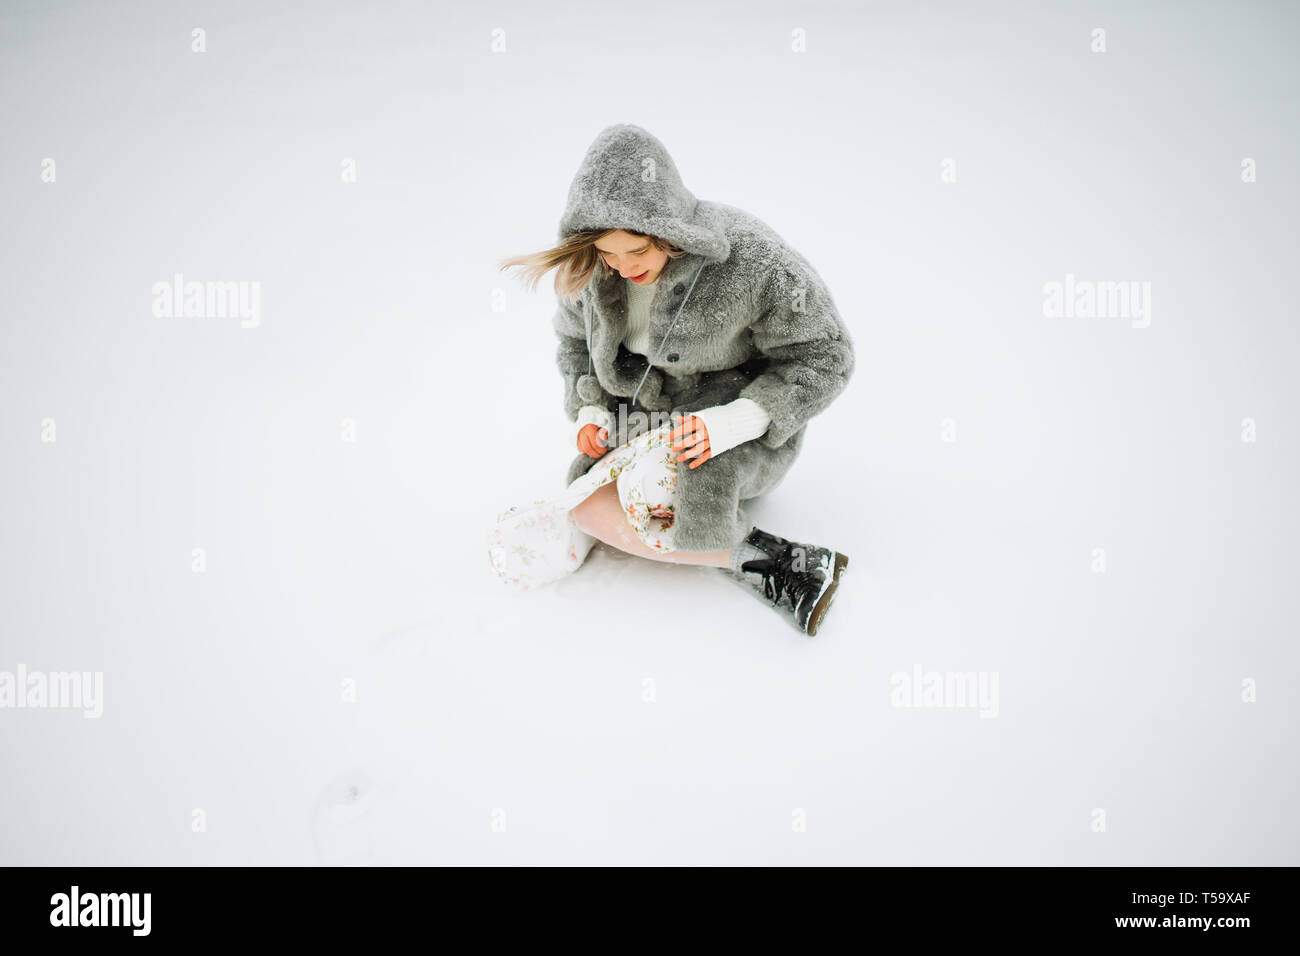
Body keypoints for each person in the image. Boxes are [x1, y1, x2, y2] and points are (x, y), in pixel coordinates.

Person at [499, 123, 855, 636]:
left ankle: (792, 570)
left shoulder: (751, 259)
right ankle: (760, 558)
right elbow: (574, 345)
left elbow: (827, 355)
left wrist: (735, 422)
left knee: (663, 494)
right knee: (588, 504)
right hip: (644, 412)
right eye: (608, 254)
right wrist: (592, 411)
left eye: (637, 252)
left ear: (668, 232)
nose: (621, 269)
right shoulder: (591, 272)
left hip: (737, 416)